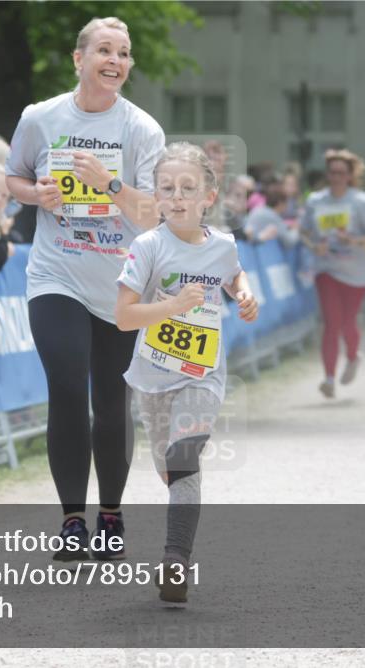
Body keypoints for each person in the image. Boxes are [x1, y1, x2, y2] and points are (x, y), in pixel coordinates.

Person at [5, 16, 165, 560]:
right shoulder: (41, 117)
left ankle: (112, 513)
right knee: (68, 387)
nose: (115, 60)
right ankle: (73, 519)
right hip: (57, 273)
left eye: (123, 52)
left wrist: (110, 184)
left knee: (111, 401)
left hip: (121, 283)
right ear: (79, 59)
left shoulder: (141, 129)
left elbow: (151, 216)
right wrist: (37, 194)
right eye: (104, 50)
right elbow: (14, 178)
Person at [114, 142, 258, 603]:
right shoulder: (148, 246)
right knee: (171, 471)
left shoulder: (223, 247)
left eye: (187, 188)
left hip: (202, 374)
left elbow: (233, 275)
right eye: (167, 188)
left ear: (208, 198)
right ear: (156, 196)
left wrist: (245, 293)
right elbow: (123, 317)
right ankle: (178, 546)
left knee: (184, 455)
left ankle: (175, 561)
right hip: (153, 379)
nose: (176, 197)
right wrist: (172, 307)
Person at [300, 148, 365, 399]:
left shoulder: (361, 201)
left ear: (350, 175)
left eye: (341, 172)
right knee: (331, 323)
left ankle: (354, 356)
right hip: (327, 269)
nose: (336, 177)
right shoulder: (315, 200)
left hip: (356, 273)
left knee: (348, 324)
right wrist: (315, 246)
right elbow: (304, 232)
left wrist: (353, 240)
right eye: (332, 172)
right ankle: (329, 378)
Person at [244, 180, 297, 246]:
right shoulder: (273, 216)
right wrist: (296, 229)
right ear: (280, 203)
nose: (287, 206)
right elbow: (289, 242)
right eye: (286, 202)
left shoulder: (259, 209)